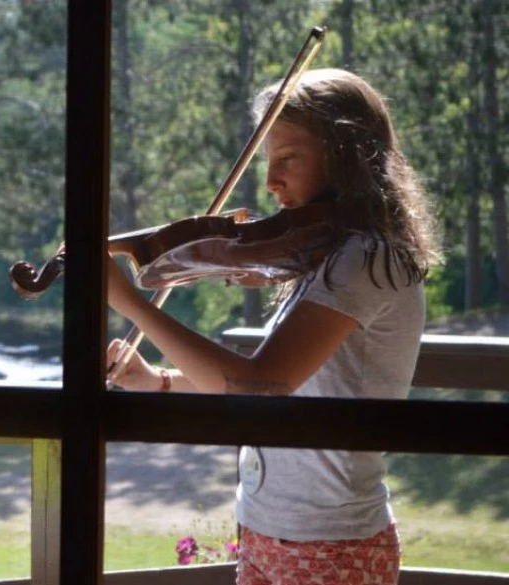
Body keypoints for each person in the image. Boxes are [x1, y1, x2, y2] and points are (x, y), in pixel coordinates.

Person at [105, 68, 441, 585]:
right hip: (270, 529)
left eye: (289, 159)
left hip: (330, 542)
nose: (270, 182)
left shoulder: (369, 259)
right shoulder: (327, 257)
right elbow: (292, 385)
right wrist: (161, 381)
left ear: (345, 155)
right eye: (269, 161)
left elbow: (262, 386)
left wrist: (135, 305)